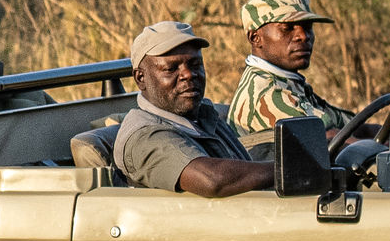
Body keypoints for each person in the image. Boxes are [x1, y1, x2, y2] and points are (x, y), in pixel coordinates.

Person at [115, 21, 273, 196]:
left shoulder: (200, 114)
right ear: (141, 78)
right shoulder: (145, 136)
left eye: (195, 64)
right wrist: (289, 170)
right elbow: (212, 180)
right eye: (171, 69)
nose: (188, 74)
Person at [228, 0, 360, 151]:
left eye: (307, 26)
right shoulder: (267, 92)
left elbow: (350, 125)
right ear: (255, 38)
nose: (303, 36)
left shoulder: (287, 82)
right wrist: (382, 151)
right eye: (287, 28)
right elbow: (328, 136)